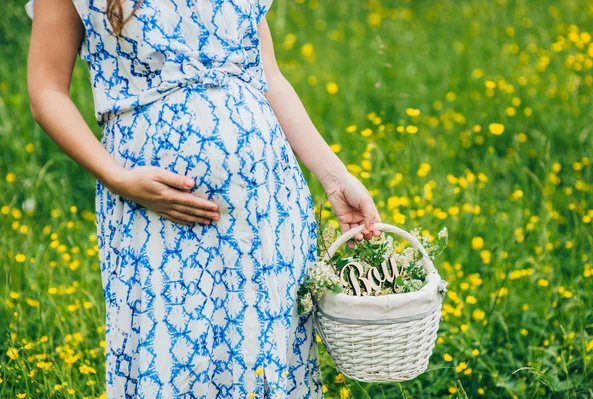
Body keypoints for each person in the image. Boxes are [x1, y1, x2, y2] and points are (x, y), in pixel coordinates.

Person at [25, 0, 382, 397]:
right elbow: (47, 90)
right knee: (174, 360)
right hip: (158, 209)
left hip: (266, 206)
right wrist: (118, 178)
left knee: (261, 359)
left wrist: (335, 180)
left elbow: (268, 77)